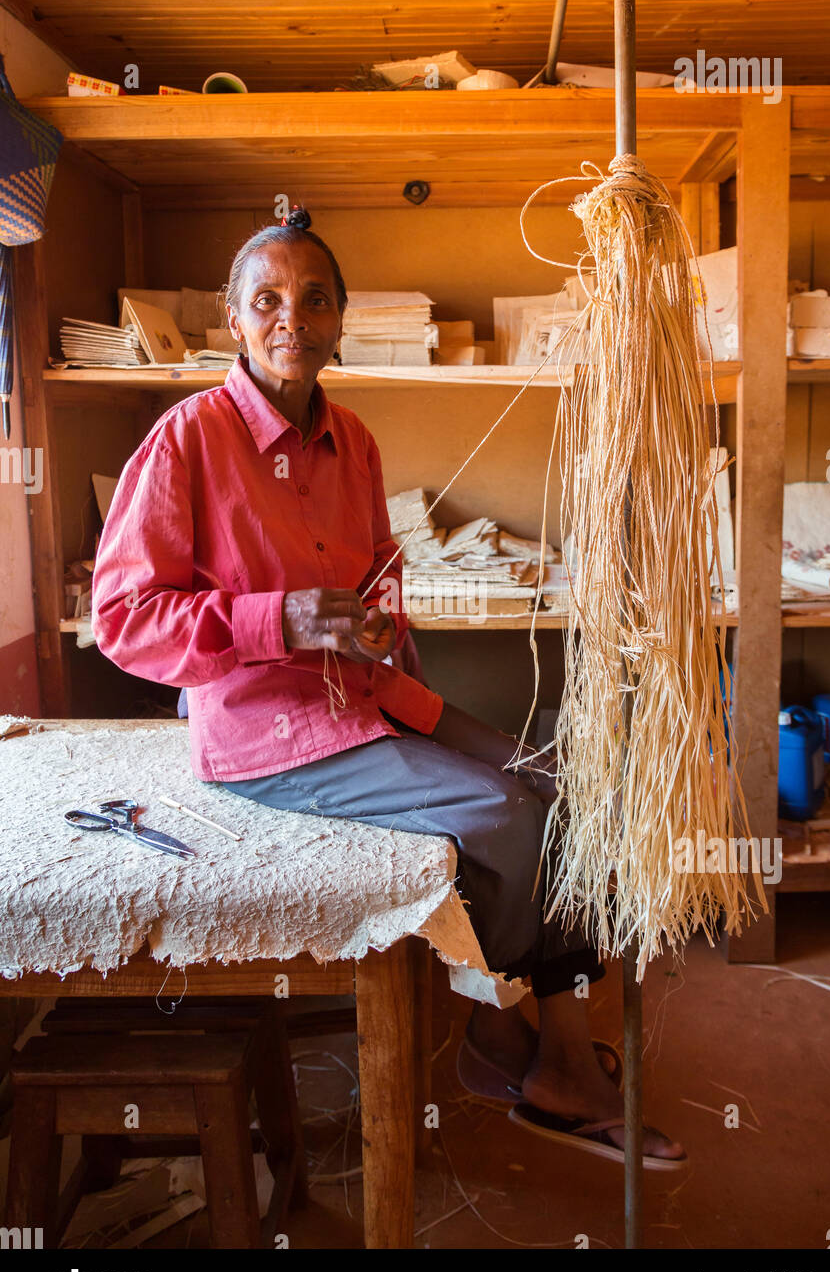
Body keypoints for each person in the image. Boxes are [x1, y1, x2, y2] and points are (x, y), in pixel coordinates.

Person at [91, 207, 685, 1168]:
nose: (294, 317)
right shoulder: (186, 442)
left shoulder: (353, 442)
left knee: (562, 787)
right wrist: (274, 619)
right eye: (269, 300)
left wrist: (380, 626)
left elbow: (376, 581)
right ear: (234, 321)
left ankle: (554, 1053)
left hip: (369, 703)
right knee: (502, 812)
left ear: (339, 320)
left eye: (315, 299)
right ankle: (506, 1043)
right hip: (266, 736)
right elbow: (123, 622)